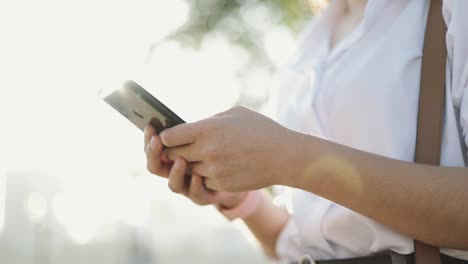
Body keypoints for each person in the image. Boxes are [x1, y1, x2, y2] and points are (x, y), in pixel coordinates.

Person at [144, 0, 468, 263]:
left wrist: (285, 157)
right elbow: (303, 242)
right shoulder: (308, 44)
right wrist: (245, 201)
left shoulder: (448, 11)